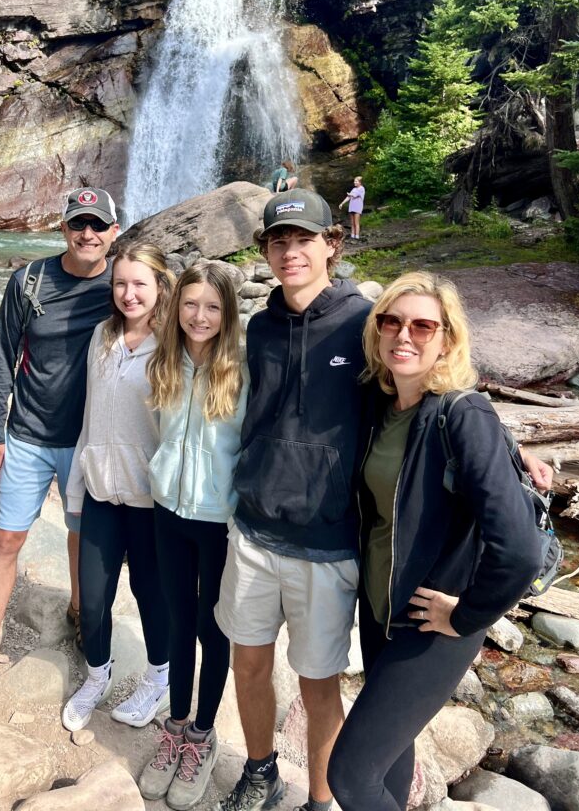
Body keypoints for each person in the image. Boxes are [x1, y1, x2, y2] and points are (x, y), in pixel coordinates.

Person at [327, 272, 544, 811]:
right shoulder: (383, 407)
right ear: (376, 331)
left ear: (447, 339)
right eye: (391, 321)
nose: (405, 335)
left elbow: (520, 550)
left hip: (431, 626)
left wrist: (468, 615)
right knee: (387, 765)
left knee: (349, 776)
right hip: (381, 612)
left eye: (424, 326)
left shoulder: (463, 413)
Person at [213, 188, 371, 811]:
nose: (290, 252)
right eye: (279, 241)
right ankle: (260, 770)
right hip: (252, 531)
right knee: (248, 665)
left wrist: (507, 448)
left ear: (332, 244)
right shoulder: (260, 325)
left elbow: (429, 389)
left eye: (304, 239)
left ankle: (321, 799)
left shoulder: (364, 324)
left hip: (327, 542)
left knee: (318, 685)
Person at [0, 186, 119, 720]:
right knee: (6, 540)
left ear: (113, 231)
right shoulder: (30, 280)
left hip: (90, 439)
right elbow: (1, 357)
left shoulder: (125, 285)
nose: (87, 234)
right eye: (77, 224)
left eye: (97, 225)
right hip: (27, 436)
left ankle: (81, 609)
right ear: (64, 229)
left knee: (83, 534)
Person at [139, 263, 248, 810]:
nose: (199, 317)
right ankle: (175, 724)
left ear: (227, 313)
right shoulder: (165, 362)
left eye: (211, 307)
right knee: (179, 621)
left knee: (213, 627)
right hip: (168, 512)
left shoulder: (241, 370)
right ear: (175, 306)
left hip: (218, 521)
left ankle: (202, 735)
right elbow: (160, 433)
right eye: (190, 304)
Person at [61, 242, 175, 732]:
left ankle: (159, 678)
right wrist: (76, 487)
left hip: (151, 501)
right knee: (92, 598)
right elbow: (90, 417)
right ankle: (97, 674)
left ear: (160, 287)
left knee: (153, 595)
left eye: (139, 284)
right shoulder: (102, 337)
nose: (129, 294)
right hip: (101, 492)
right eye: (120, 284)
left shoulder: (174, 345)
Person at [338, 176, 365, 240]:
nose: (354, 182)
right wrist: (342, 203)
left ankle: (357, 236)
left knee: (356, 222)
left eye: (356, 181)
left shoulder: (361, 188)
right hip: (352, 207)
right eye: (354, 181)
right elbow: (348, 197)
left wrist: (350, 194)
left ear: (360, 182)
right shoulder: (354, 189)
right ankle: (352, 235)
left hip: (357, 207)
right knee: (352, 223)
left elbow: (354, 195)